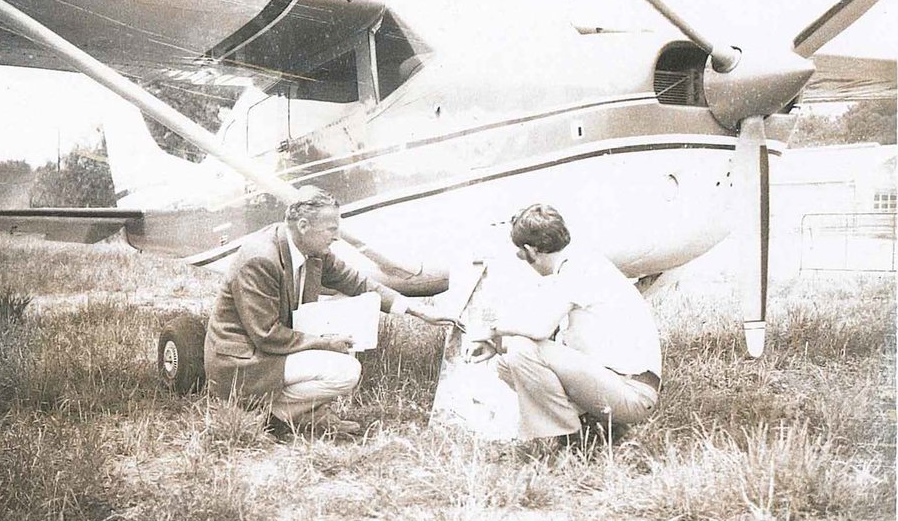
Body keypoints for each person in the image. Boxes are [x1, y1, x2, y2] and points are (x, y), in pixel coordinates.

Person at [205, 186, 450, 435]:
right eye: (331, 229)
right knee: (346, 371)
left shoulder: (311, 251)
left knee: (346, 354)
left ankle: (294, 413)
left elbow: (357, 281)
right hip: (241, 362)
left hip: (267, 352)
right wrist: (325, 343)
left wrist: (416, 309)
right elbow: (266, 334)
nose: (336, 237)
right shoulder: (260, 259)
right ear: (303, 225)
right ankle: (277, 415)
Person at [464, 203, 661, 442]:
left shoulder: (578, 268)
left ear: (530, 251)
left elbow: (539, 329)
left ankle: (568, 439)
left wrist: (490, 330)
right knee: (506, 365)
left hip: (632, 394)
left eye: (520, 253)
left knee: (522, 350)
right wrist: (495, 345)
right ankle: (592, 426)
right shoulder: (579, 262)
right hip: (617, 384)